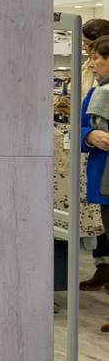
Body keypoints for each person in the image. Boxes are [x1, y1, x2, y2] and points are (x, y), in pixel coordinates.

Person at [79, 23, 109, 290]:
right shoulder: (94, 93)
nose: (91, 63)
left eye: (96, 57)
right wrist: (90, 135)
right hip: (104, 181)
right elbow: (78, 128)